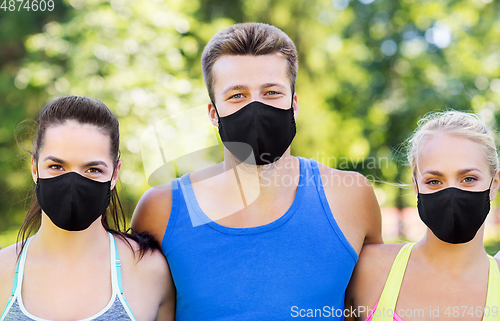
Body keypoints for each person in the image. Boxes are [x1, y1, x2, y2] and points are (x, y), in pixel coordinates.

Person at [132, 22, 382, 320]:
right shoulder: (161, 209)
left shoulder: (351, 196)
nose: (256, 108)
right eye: (237, 95)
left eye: (271, 92)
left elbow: (369, 306)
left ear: (294, 103)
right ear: (214, 114)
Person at [0, 96, 175, 321]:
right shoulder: (3, 271)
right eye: (56, 166)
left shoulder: (150, 271)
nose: (73, 182)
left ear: (114, 174)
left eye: (92, 170)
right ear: (34, 168)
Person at [346, 110, 500, 321]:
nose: (452, 194)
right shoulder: (366, 270)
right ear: (416, 186)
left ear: (494, 185)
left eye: (469, 178)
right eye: (434, 181)